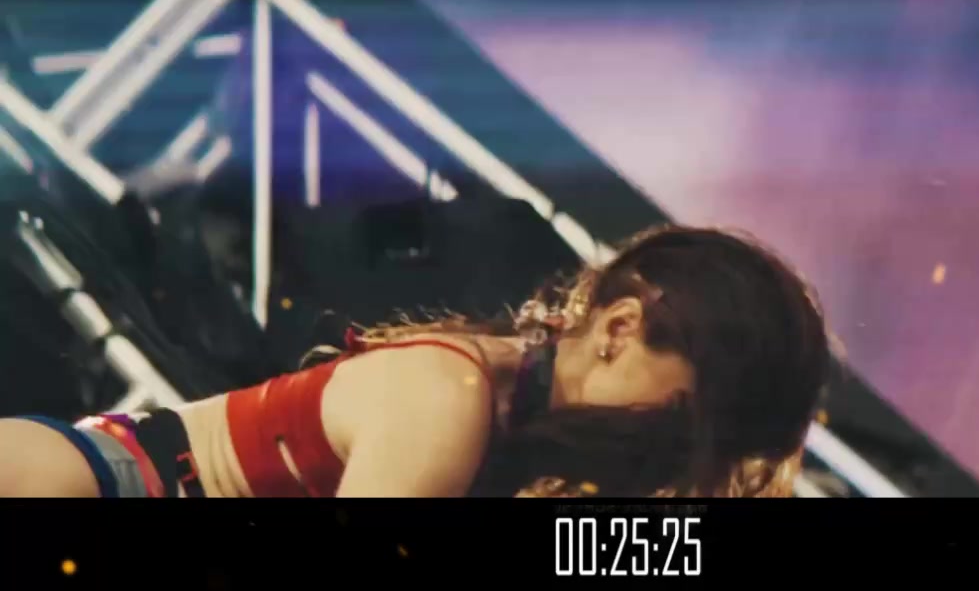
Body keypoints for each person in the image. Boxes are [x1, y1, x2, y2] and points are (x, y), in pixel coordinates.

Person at [0, 224, 833, 498]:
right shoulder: (451, 401)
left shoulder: (518, 405)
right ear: (618, 329)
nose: (683, 461)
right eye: (686, 421)